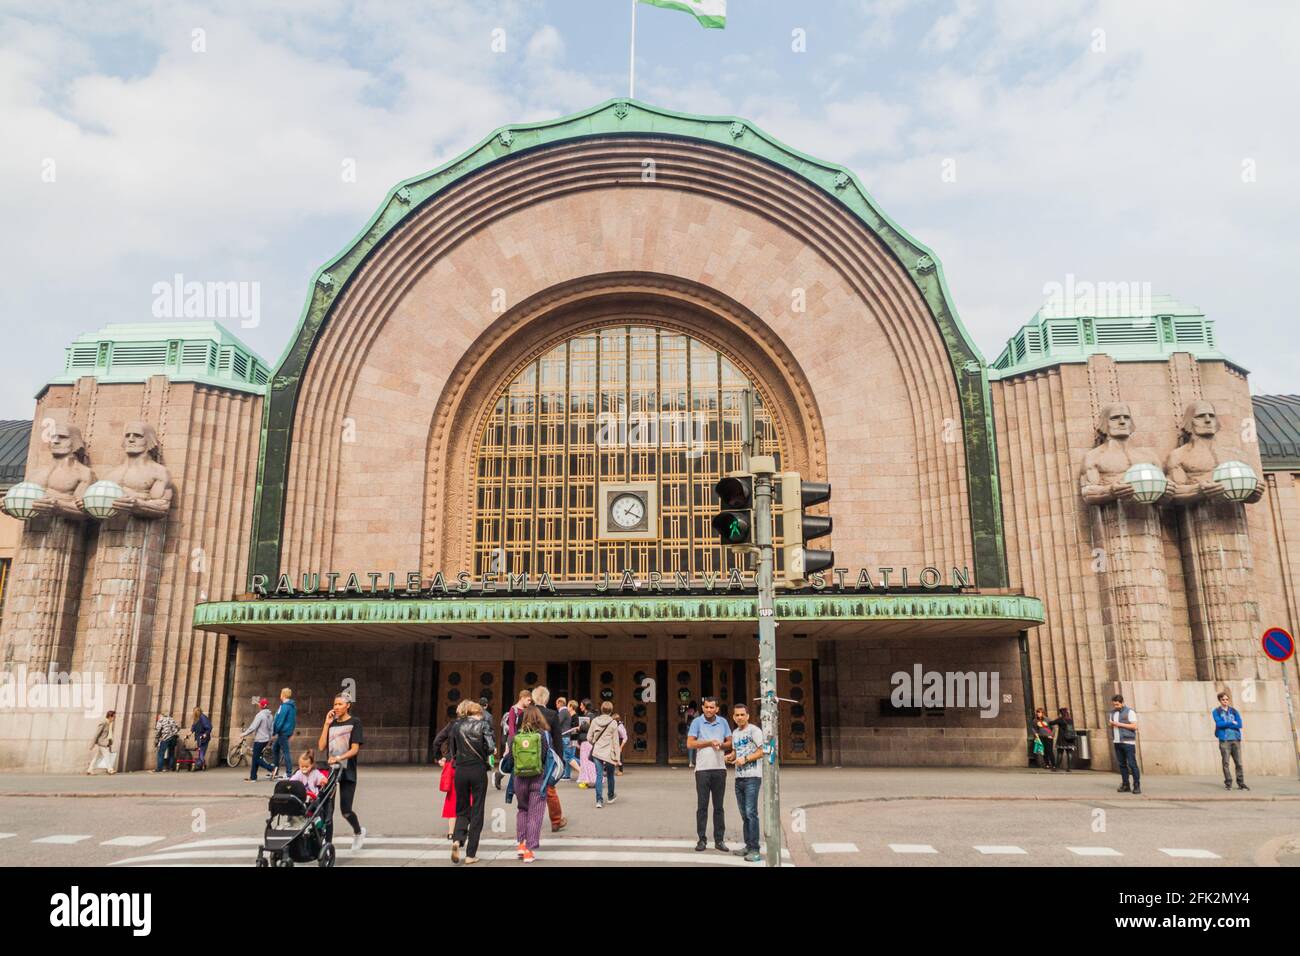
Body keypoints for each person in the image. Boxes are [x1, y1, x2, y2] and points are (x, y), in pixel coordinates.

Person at [318, 693, 367, 849]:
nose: (336, 707)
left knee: (346, 810)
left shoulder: (355, 722)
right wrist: (326, 724)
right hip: (331, 771)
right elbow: (321, 746)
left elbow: (354, 749)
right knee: (328, 810)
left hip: (347, 771)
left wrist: (339, 757)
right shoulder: (332, 724)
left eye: (339, 704)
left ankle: (358, 832)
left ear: (348, 705)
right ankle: (328, 845)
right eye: (335, 704)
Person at [448, 699, 495, 864]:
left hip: (460, 770)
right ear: (478, 713)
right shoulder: (483, 726)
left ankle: (457, 839)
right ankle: (470, 854)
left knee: (462, 808)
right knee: (477, 810)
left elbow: (452, 750)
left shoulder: (456, 726)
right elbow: (490, 748)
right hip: (477, 769)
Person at [687, 696, 731, 852]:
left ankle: (719, 840)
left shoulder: (723, 722)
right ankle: (702, 839)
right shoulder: (697, 722)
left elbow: (730, 742)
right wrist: (709, 742)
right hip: (702, 770)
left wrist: (721, 745)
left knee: (719, 807)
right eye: (706, 707)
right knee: (702, 806)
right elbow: (690, 743)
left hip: (720, 769)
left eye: (712, 707)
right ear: (703, 707)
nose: (709, 710)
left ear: (717, 709)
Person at [511, 705, 552, 863]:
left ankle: (521, 845)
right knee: (535, 814)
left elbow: (513, 757)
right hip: (538, 778)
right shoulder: (543, 734)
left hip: (520, 777)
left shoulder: (518, 735)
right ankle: (529, 849)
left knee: (522, 809)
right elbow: (547, 755)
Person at [725, 703, 765, 862]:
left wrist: (746, 759)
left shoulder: (754, 731)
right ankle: (748, 845)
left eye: (743, 714)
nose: (740, 717)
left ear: (748, 716)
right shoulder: (735, 733)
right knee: (744, 814)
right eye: (737, 715)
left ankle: (755, 849)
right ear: (734, 717)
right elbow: (736, 752)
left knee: (751, 813)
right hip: (739, 777)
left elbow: (763, 750)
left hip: (752, 777)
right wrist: (730, 756)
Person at [529, 685, 568, 832]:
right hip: (546, 757)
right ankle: (556, 820)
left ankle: (530, 820)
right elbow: (557, 739)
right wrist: (560, 760)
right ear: (546, 698)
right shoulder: (552, 714)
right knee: (550, 788)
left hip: (526, 756)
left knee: (529, 788)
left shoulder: (526, 713)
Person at [498, 688, 532, 799]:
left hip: (525, 739)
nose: (529, 702)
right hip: (516, 739)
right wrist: (513, 742)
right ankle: (510, 785)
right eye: (528, 700)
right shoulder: (514, 709)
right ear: (522, 698)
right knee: (514, 762)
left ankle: (502, 775)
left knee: (518, 763)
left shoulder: (528, 709)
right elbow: (511, 727)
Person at [588, 701, 622, 808]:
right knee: (610, 775)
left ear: (601, 709)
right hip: (609, 753)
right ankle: (610, 796)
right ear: (611, 710)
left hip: (597, 752)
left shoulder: (594, 721)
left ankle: (599, 800)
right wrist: (617, 758)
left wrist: (594, 742)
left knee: (599, 775)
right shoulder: (613, 723)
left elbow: (589, 737)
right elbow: (616, 742)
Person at [1213, 691, 1249, 791]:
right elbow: (1219, 724)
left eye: (1227, 699)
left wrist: (1227, 723)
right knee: (1226, 763)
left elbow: (1240, 724)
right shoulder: (1216, 711)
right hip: (1224, 740)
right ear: (1220, 700)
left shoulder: (1234, 711)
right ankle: (1228, 783)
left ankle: (1241, 783)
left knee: (1239, 763)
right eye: (1223, 700)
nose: (1225, 701)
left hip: (1235, 739)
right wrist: (1232, 722)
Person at [1109, 694, 1141, 794]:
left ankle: (1136, 785)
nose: (1116, 706)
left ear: (1122, 703)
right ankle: (1125, 784)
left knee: (1132, 764)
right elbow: (1112, 724)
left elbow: (1134, 726)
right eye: (1114, 705)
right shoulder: (1113, 713)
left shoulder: (1130, 712)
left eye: (1117, 704)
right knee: (1122, 764)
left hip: (1128, 742)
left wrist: (1118, 724)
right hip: (1117, 741)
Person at [241, 698, 277, 782]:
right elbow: (271, 729)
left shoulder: (260, 715)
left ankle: (271, 768)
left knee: (256, 758)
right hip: (265, 739)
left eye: (259, 704)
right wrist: (270, 738)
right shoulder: (270, 715)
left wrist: (244, 734)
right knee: (255, 757)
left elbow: (253, 727)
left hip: (259, 739)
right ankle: (253, 777)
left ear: (261, 706)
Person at [272, 687, 297, 780]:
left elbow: (279, 720)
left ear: (283, 695)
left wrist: (274, 731)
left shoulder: (284, 706)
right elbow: (293, 720)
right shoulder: (292, 706)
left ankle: (288, 773)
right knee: (275, 748)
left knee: (285, 752)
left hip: (282, 731)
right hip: (287, 731)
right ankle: (276, 770)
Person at [86, 710, 116, 775]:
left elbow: (109, 735)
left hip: (106, 743)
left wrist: (110, 742)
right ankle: (110, 769)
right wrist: (92, 744)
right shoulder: (104, 723)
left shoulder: (110, 724)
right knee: (107, 755)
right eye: (113, 717)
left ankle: (90, 769)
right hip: (102, 743)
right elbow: (97, 734)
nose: (114, 718)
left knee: (97, 757)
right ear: (110, 717)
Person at [1048, 707, 1078, 772]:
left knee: (1060, 753)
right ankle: (1069, 768)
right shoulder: (1070, 719)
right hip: (1070, 738)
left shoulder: (1061, 719)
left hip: (1062, 739)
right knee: (1069, 753)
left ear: (1061, 713)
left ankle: (1056, 767)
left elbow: (1051, 723)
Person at [577, 699, 597, 788]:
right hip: (585, 741)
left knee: (586, 762)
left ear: (585, 706)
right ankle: (590, 779)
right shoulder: (589, 715)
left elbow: (590, 728)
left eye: (581, 705)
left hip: (587, 741)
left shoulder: (590, 716)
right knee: (586, 761)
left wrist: (580, 728)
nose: (580, 707)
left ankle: (587, 780)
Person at [1032, 707, 1056, 771]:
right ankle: (1047, 764)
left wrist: (1051, 735)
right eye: (1037, 712)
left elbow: (1053, 728)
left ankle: (1053, 765)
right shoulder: (1035, 720)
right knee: (1044, 751)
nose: (1038, 714)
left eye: (1039, 712)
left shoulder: (1048, 719)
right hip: (1041, 737)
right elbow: (1033, 728)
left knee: (1050, 751)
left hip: (1048, 737)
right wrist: (1035, 733)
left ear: (1042, 713)